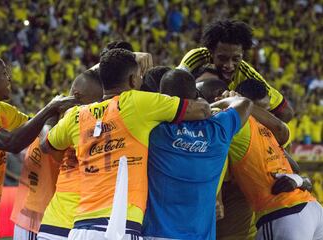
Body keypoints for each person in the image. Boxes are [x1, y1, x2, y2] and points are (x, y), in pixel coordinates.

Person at [44, 48, 211, 240]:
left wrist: (51, 110)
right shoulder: (138, 102)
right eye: (139, 77)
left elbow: (46, 145)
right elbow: (202, 110)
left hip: (80, 228)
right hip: (119, 227)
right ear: (133, 80)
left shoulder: (76, 115)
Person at [0, 53, 77, 239]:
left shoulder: (4, 111)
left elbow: (35, 129)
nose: (9, 78)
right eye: (4, 73)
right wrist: (49, 108)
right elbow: (12, 143)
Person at [199, 78, 323, 240]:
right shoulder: (264, 128)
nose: (266, 115)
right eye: (261, 110)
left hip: (281, 213)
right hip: (312, 210)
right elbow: (294, 167)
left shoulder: (237, 125)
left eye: (267, 110)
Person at [142, 69, 253, 239]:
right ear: (195, 96)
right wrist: (208, 106)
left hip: (156, 234)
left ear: (163, 97)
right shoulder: (218, 130)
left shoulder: (154, 129)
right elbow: (244, 103)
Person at [12, 69, 103, 240]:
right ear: (78, 95)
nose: (97, 108)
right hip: (37, 217)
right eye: (96, 102)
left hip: (47, 216)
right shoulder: (56, 125)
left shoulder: (52, 117)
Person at [178, 19, 294, 122]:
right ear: (211, 52)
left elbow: (286, 113)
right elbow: (173, 86)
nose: (229, 65)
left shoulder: (248, 74)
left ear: (242, 54)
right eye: (222, 58)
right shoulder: (196, 58)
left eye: (236, 59)